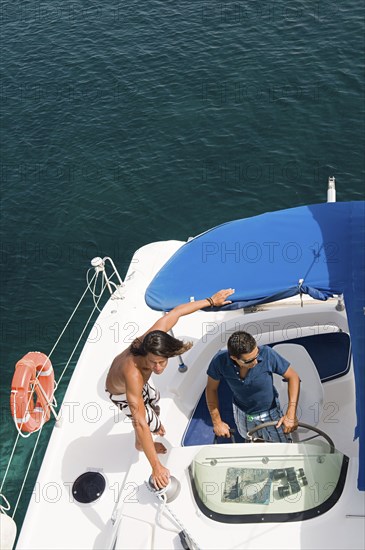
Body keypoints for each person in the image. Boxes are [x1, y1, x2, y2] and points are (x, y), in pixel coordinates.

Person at [106, 288, 234, 489]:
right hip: (120, 391)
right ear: (145, 354)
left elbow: (176, 313)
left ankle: (150, 427)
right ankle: (140, 444)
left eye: (162, 362)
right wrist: (156, 467)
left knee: (154, 397)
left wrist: (211, 300)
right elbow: (139, 422)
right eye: (152, 363)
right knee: (147, 420)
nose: (158, 368)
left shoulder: (153, 338)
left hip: (136, 385)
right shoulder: (134, 375)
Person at [206, 331, 300, 442]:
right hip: (241, 412)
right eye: (250, 360)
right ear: (234, 358)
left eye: (257, 355)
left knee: (282, 445)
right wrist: (217, 422)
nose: (256, 362)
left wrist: (291, 413)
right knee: (252, 441)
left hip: (270, 411)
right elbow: (211, 389)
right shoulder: (219, 361)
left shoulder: (267, 354)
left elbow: (293, 377)